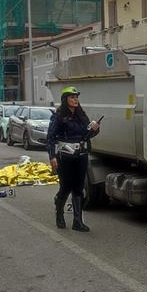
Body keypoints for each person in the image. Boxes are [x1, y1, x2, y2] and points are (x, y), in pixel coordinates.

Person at [47, 86, 100, 232]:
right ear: (65, 100)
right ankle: (59, 214)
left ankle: (77, 221)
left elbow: (87, 135)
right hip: (65, 157)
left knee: (78, 188)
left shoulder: (81, 115)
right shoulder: (58, 116)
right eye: (72, 97)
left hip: (81, 156)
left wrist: (95, 129)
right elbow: (50, 138)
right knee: (65, 187)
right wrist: (52, 157)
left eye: (76, 97)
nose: (75, 99)